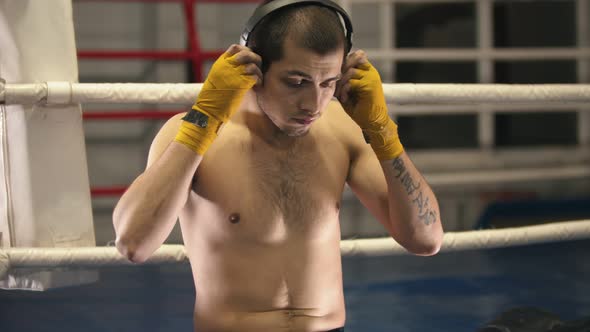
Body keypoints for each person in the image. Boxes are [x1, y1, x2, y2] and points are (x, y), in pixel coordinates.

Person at [113, 1, 444, 331]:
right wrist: (203, 122)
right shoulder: (189, 133)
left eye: (328, 83)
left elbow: (426, 240)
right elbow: (133, 244)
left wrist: (382, 129)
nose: (314, 104)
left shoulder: (343, 131)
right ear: (254, 68)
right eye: (296, 82)